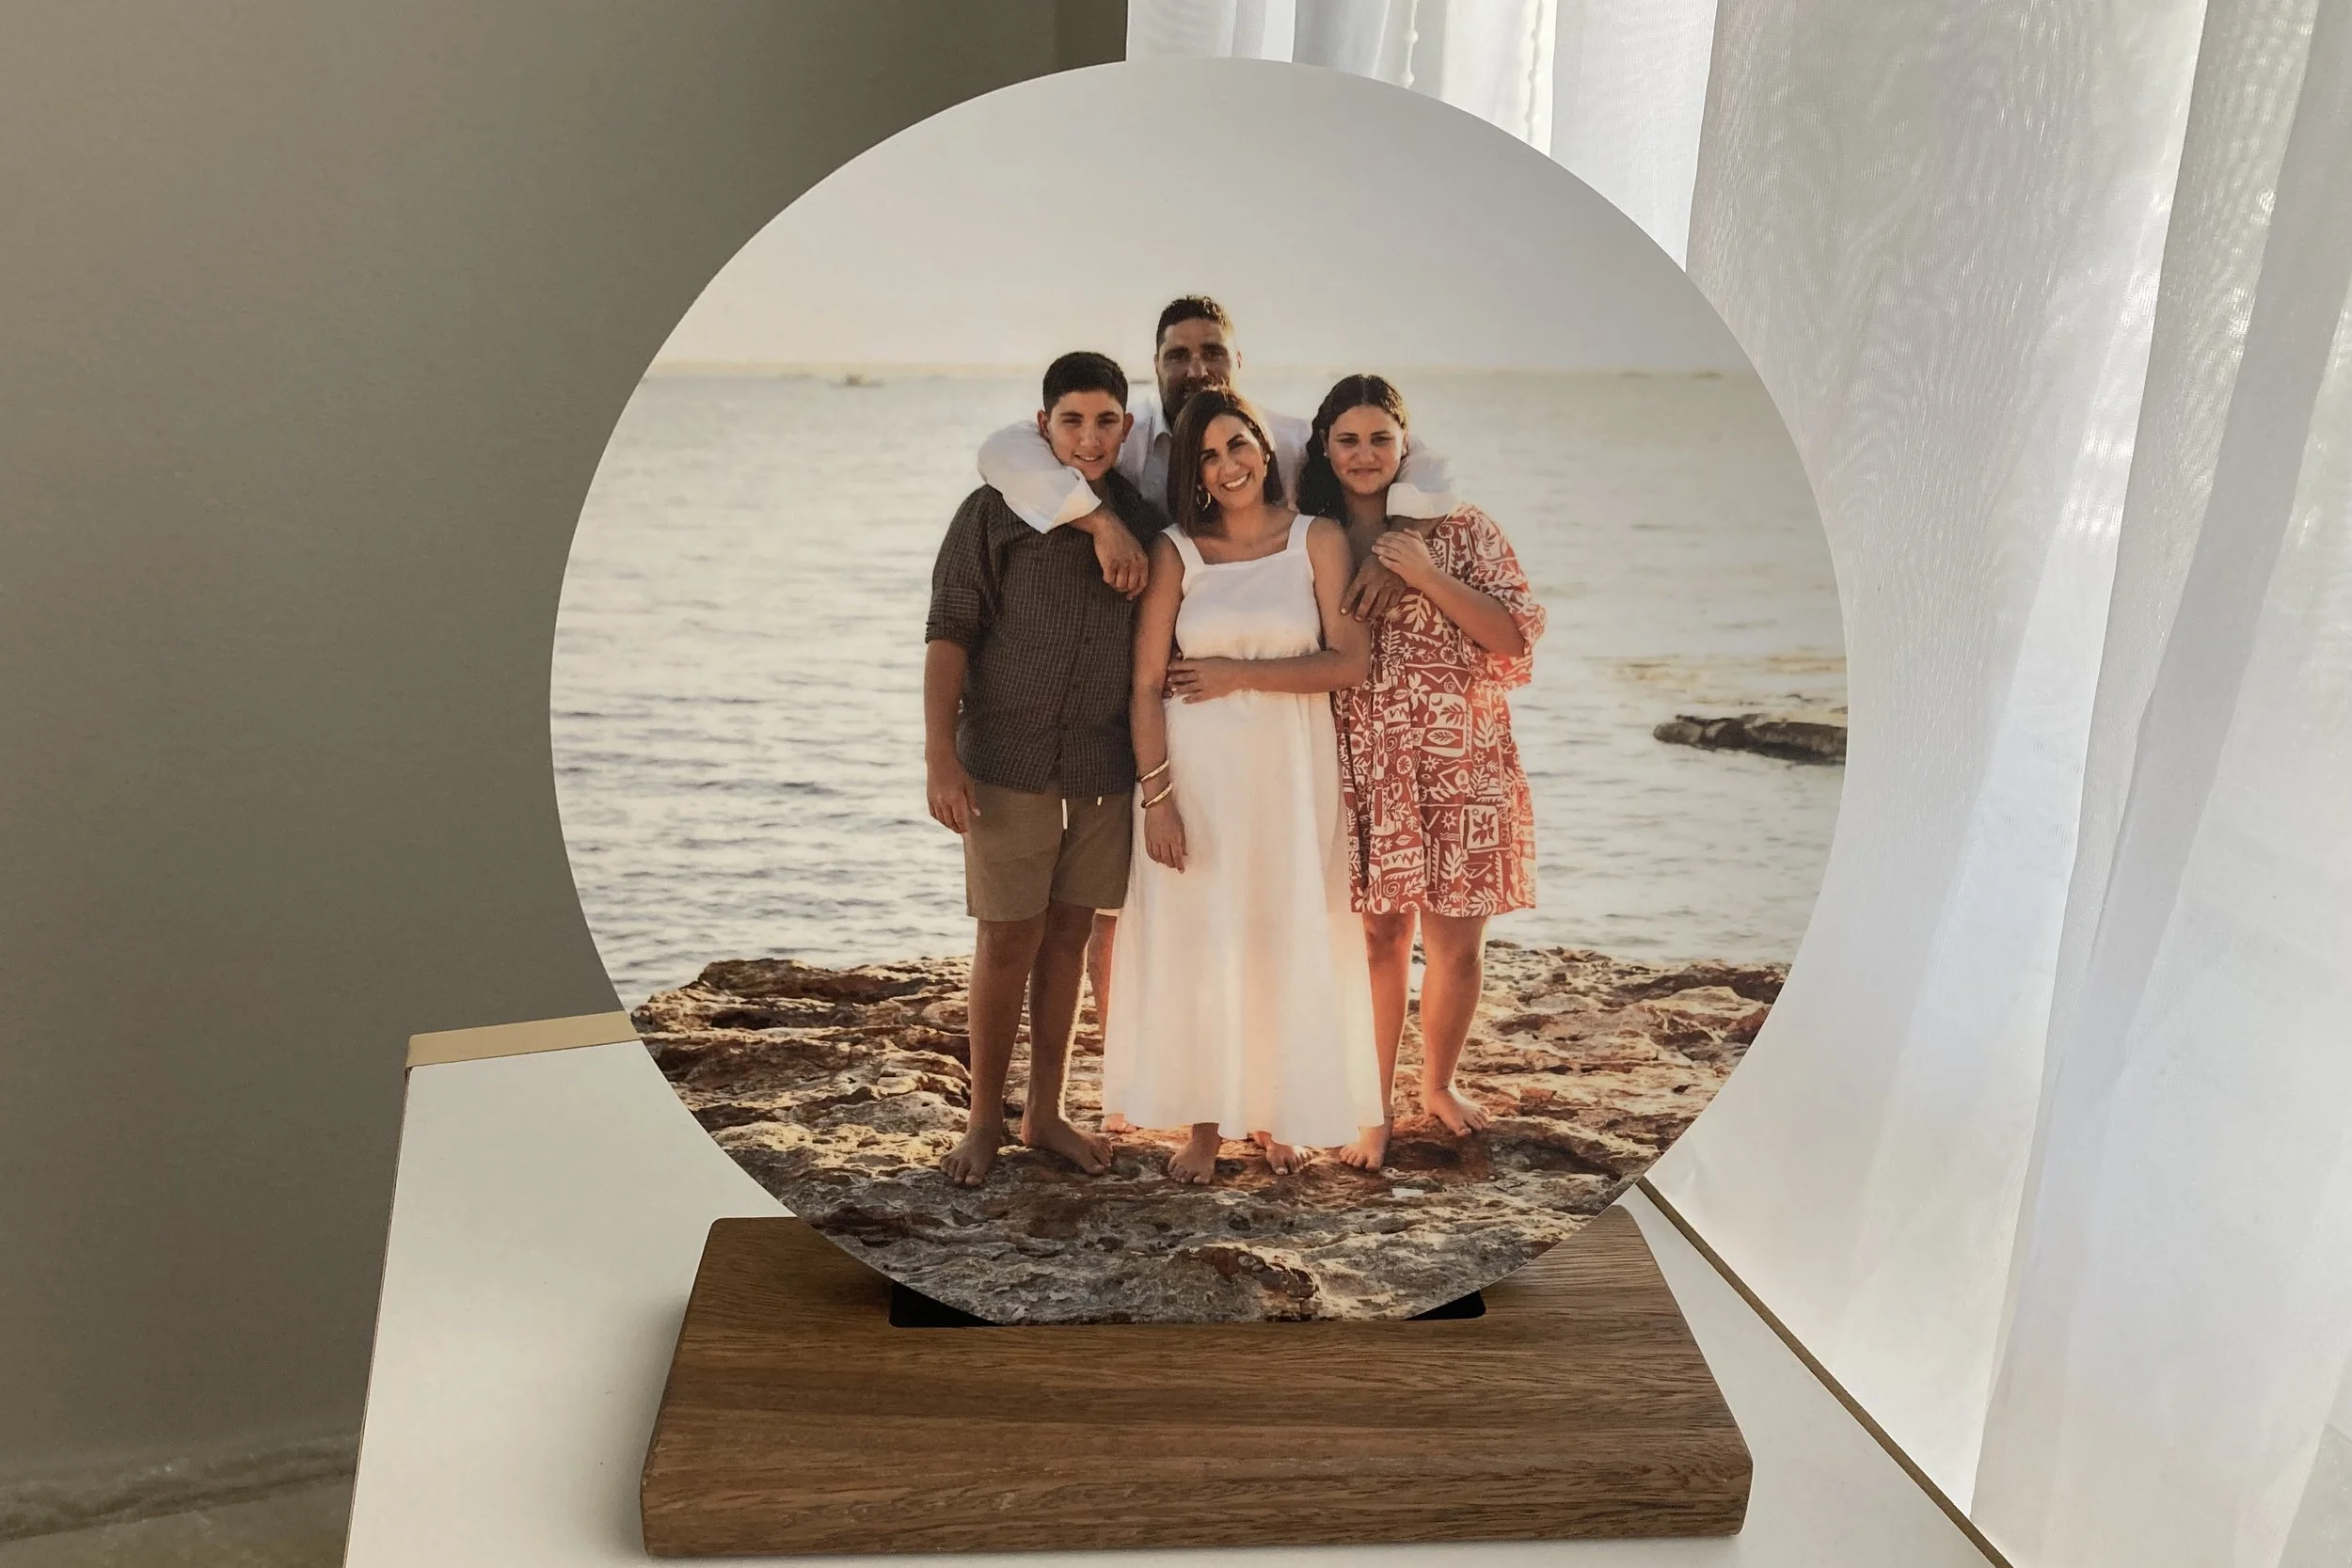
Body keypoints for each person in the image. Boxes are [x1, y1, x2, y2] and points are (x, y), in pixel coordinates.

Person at [976, 296, 1457, 1108]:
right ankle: (1158, 1077)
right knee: (1130, 913)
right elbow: (1002, 449)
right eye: (1177, 354)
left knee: (1272, 909)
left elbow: (1420, 460)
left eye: (1211, 351)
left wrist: (1391, 550)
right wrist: (1099, 522)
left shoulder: (1292, 438)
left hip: (1275, 729)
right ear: (1154, 364)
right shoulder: (1123, 446)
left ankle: (1267, 1091)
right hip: (1157, 711)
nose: (1196, 367)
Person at [1101, 388, 1384, 1182]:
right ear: (1192, 474)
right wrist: (1158, 799)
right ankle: (1203, 1124)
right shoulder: (1174, 552)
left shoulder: (1316, 540)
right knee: (1201, 940)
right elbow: (1145, 685)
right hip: (1196, 774)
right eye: (1209, 458)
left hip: (1292, 771)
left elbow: (1349, 661)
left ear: (1264, 445)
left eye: (1238, 445)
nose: (1228, 467)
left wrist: (1237, 673)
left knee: (1278, 930)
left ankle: (1273, 1110)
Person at [921, 351, 1167, 1186]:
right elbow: (948, 632)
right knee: (1006, 939)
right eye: (1072, 420)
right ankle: (982, 1120)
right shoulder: (991, 513)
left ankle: (1045, 1111)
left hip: (1103, 764)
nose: (1090, 437)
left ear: (1126, 428)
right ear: (1043, 425)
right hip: (1005, 761)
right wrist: (938, 757)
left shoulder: (1144, 515)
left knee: (1069, 935)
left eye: (1105, 421)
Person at [1291, 374, 1546, 1170]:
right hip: (1363, 757)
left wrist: (1425, 569)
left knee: (1457, 943)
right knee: (1378, 937)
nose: (1365, 455)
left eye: (1380, 439)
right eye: (1348, 440)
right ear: (1324, 450)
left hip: (1460, 763)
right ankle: (1371, 1106)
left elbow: (1513, 638)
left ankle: (1438, 1082)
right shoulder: (1312, 535)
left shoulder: (1463, 527)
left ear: (1406, 444)